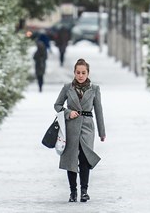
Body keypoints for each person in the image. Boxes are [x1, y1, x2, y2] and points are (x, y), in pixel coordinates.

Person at [53, 58, 106, 202]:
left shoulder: (94, 89)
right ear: (74, 73)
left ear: (88, 73)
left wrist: (102, 132)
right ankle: (72, 192)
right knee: (71, 159)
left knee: (84, 159)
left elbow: (99, 110)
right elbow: (57, 105)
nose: (81, 75)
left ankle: (84, 191)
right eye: (78, 72)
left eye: (83, 72)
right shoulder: (67, 88)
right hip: (71, 127)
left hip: (87, 127)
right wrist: (67, 112)